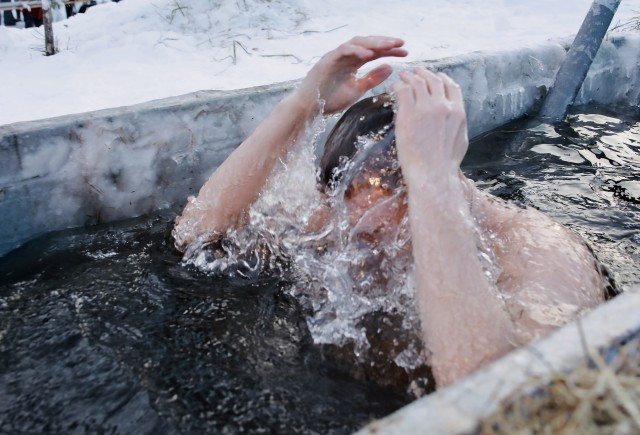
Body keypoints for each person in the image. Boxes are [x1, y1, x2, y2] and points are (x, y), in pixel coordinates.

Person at [172, 36, 606, 387]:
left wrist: (431, 177)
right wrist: (303, 104)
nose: (369, 230)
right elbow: (196, 235)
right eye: (352, 204)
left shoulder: (537, 250)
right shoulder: (337, 222)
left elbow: (502, 402)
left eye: (400, 202)